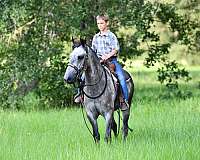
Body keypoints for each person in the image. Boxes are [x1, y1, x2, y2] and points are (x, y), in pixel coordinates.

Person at [74, 14, 129, 111]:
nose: (100, 25)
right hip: (99, 63)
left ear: (107, 23)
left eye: (102, 23)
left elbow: (116, 49)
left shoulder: (111, 36)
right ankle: (80, 95)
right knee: (82, 77)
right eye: (98, 23)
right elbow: (93, 51)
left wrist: (107, 56)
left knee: (121, 79)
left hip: (111, 61)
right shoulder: (96, 37)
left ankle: (123, 100)